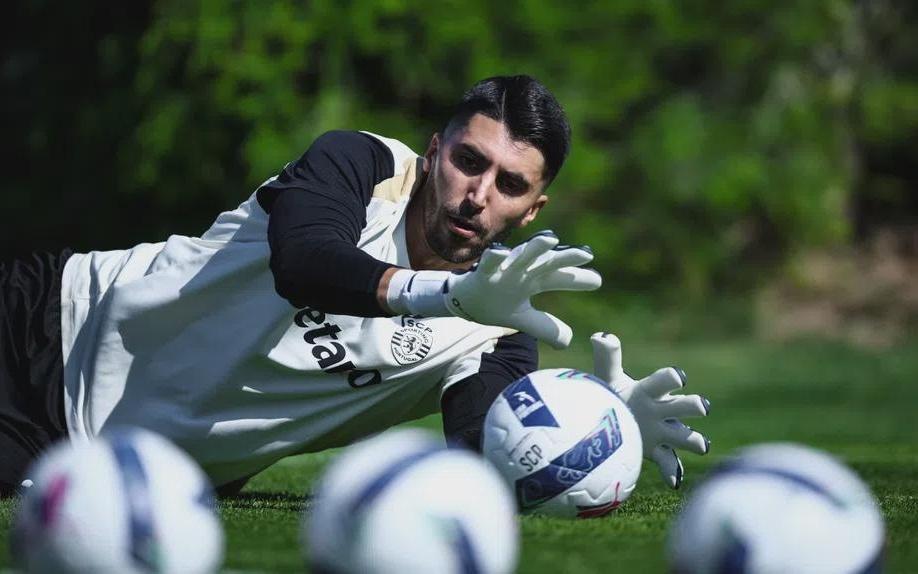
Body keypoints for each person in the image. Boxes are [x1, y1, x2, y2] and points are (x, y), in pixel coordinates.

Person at [0, 75, 708, 497]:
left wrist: (599, 427)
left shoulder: (497, 330)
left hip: (124, 463)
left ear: (532, 210)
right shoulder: (361, 166)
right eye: (468, 161)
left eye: (510, 184)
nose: (477, 194)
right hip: (51, 322)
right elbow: (305, 264)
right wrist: (448, 298)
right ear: (434, 152)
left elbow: (487, 456)